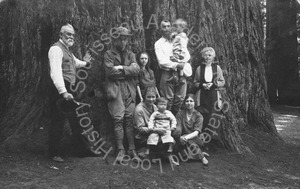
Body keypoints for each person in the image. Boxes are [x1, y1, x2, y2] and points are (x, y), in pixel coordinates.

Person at [48, 24, 92, 162]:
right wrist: (63, 92)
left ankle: (81, 150)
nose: (71, 37)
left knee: (77, 119)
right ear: (61, 35)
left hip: (69, 88)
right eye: (68, 34)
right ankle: (54, 153)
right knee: (58, 120)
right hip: (59, 89)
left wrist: (85, 63)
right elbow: (55, 72)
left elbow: (75, 63)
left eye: (72, 35)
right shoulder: (56, 49)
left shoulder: (68, 51)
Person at [104, 26, 141, 163]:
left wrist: (121, 68)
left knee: (129, 119)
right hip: (115, 90)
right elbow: (110, 72)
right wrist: (127, 71)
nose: (124, 42)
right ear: (115, 40)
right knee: (118, 119)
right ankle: (120, 149)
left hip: (130, 90)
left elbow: (136, 69)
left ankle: (132, 149)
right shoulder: (108, 54)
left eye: (126, 39)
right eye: (121, 39)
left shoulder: (131, 54)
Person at [155, 19, 187, 116]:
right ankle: (166, 119)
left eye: (168, 26)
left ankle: (175, 117)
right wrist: (176, 64)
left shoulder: (177, 39)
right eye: (164, 27)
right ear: (160, 29)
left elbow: (186, 54)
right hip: (167, 72)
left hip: (180, 71)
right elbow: (161, 61)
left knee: (180, 97)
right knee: (167, 99)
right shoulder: (158, 43)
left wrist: (181, 61)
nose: (166, 29)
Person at [193, 47, 225, 135]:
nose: (208, 57)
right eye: (206, 55)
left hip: (214, 95)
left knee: (213, 116)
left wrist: (213, 84)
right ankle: (203, 139)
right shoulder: (199, 68)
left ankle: (214, 141)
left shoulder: (217, 68)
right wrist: (202, 85)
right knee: (203, 116)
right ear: (203, 56)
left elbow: (222, 81)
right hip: (202, 95)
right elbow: (195, 82)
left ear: (213, 57)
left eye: (210, 55)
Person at [175, 94, 209, 165]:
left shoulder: (198, 116)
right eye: (187, 101)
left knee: (190, 142)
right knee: (183, 155)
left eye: (191, 101)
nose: (189, 103)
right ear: (184, 103)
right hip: (182, 139)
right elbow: (178, 127)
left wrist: (185, 137)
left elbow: (196, 132)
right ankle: (199, 153)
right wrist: (180, 136)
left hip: (196, 138)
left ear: (195, 103)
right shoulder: (180, 114)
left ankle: (202, 157)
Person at [147, 97, 178, 165]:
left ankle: (170, 148)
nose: (163, 106)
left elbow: (173, 120)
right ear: (157, 105)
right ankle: (151, 154)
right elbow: (151, 121)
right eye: (161, 104)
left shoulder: (168, 113)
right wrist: (151, 127)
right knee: (152, 138)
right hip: (157, 129)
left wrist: (173, 126)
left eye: (165, 105)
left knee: (169, 138)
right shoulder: (155, 113)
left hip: (166, 130)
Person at [167, 18, 191, 84]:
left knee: (177, 63)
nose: (175, 28)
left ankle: (180, 78)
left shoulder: (182, 35)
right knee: (175, 64)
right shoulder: (178, 35)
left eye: (176, 26)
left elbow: (183, 46)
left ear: (182, 27)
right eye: (174, 26)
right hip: (176, 51)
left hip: (180, 53)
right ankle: (176, 76)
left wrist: (182, 54)